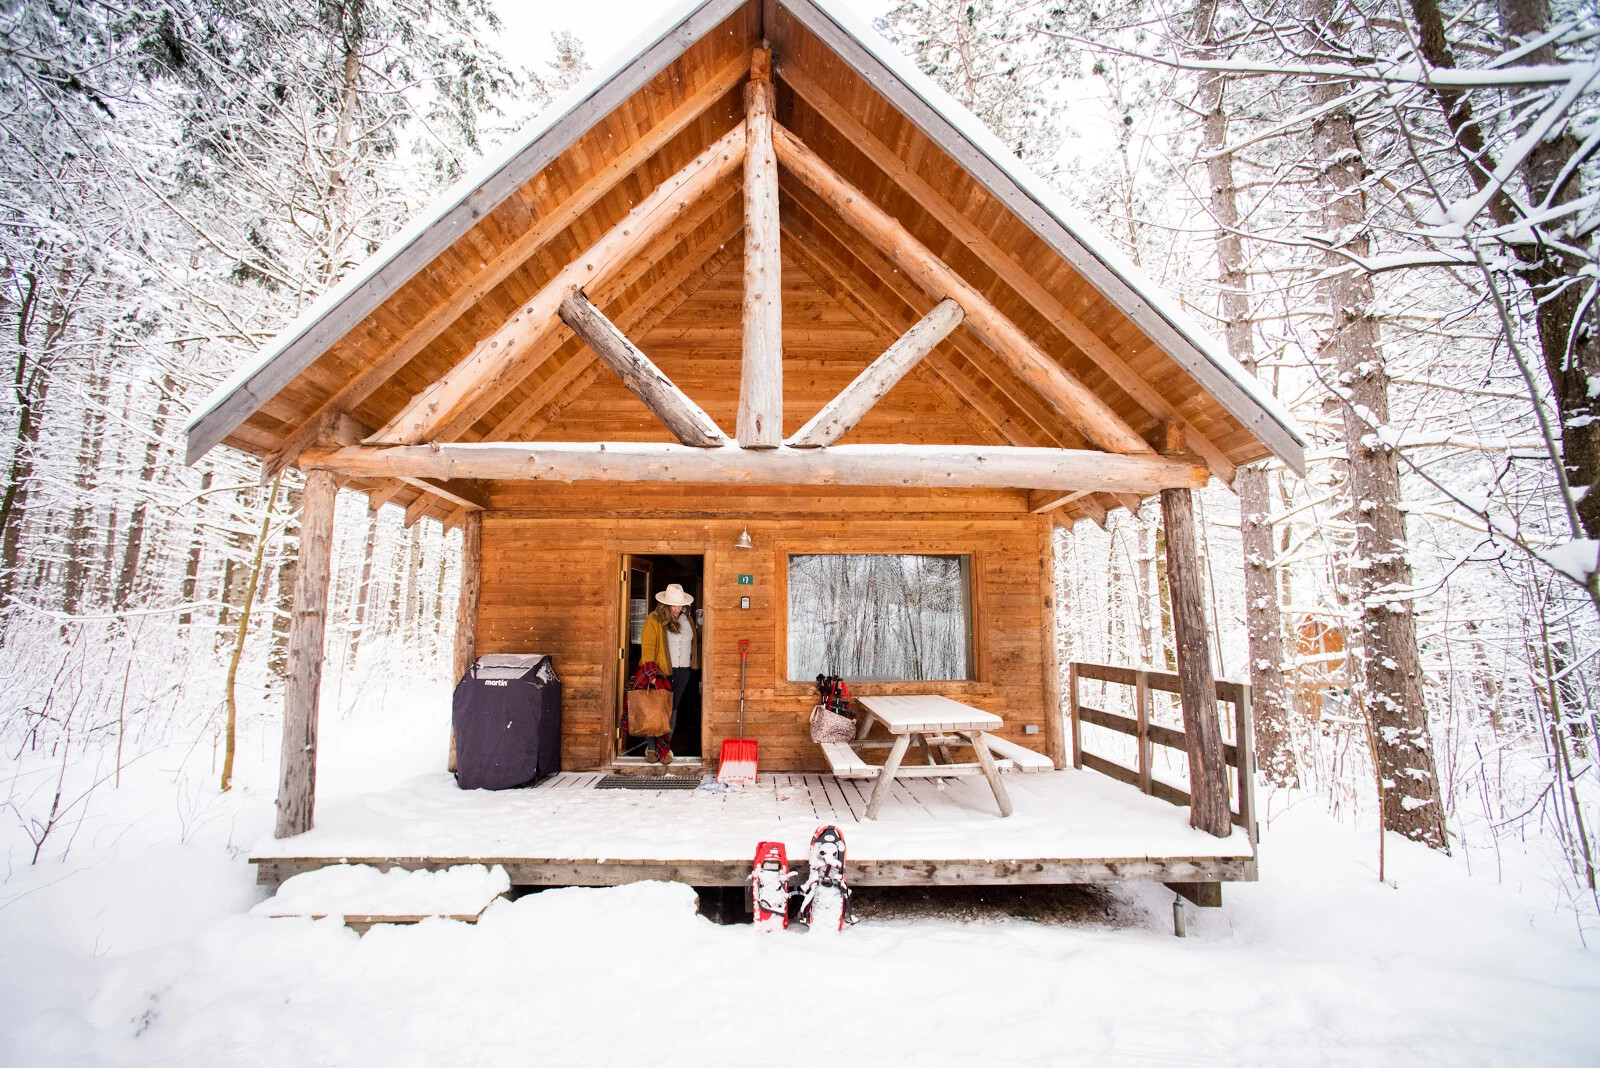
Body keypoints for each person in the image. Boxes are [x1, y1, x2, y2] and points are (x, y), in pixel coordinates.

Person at [638, 582, 698, 764]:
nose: (677, 608)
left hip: (683, 671)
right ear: (665, 604)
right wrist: (651, 673)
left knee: (672, 710)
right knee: (654, 708)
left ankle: (665, 748)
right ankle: (651, 748)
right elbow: (648, 647)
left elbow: (692, 642)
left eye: (680, 604)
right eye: (674, 605)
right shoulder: (654, 620)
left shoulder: (687, 619)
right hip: (660, 671)